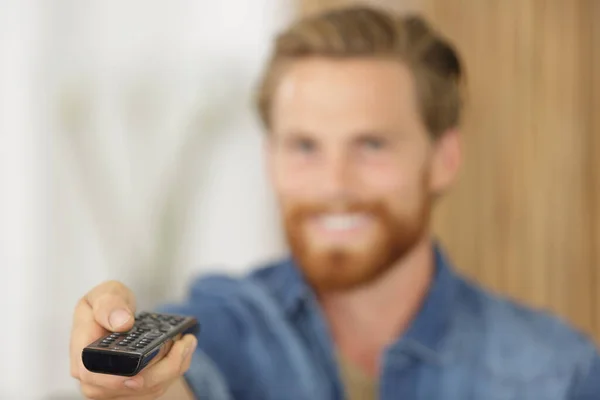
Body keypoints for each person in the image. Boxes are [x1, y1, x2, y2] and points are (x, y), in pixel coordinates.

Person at [69, 5, 600, 400]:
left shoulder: (557, 372)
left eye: (371, 145)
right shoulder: (218, 328)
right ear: (270, 159)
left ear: (443, 159)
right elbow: (188, 382)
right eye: (304, 147)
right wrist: (146, 390)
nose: (335, 184)